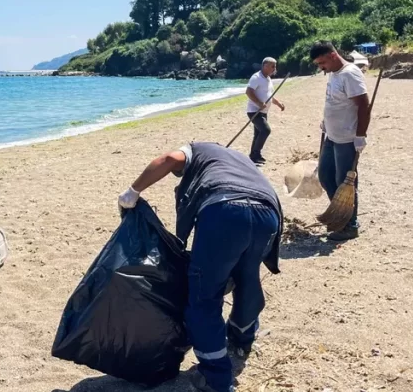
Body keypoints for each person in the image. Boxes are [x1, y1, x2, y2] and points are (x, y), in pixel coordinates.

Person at [118, 142, 283, 392]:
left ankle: (215, 378)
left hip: (225, 212)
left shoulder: (195, 149)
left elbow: (169, 159)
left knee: (203, 296)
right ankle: (242, 337)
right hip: (268, 213)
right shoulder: (237, 158)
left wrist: (133, 191)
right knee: (247, 277)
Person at [310, 41, 370, 242]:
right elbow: (334, 101)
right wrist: (326, 121)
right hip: (332, 136)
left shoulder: (350, 74)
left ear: (333, 55)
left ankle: (350, 225)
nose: (321, 68)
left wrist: (360, 135)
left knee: (345, 182)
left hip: (346, 139)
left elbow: (363, 105)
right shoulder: (334, 73)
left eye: (322, 63)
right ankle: (340, 215)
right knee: (326, 176)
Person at [244, 57, 285, 165]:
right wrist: (258, 103)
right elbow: (248, 92)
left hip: (263, 112)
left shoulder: (268, 79)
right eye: (272, 66)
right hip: (254, 111)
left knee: (258, 133)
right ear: (265, 66)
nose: (274, 69)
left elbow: (269, 96)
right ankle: (256, 154)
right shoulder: (256, 77)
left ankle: (254, 156)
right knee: (266, 130)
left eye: (275, 66)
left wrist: (279, 104)